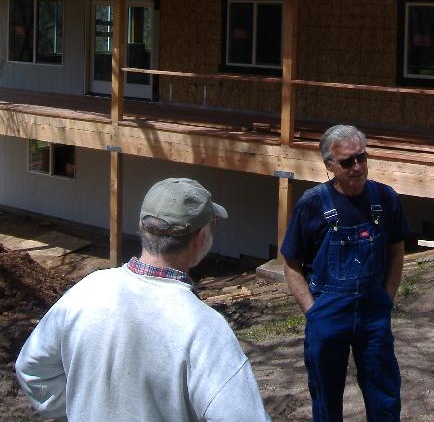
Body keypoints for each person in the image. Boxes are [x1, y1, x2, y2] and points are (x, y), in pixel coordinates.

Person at [16, 177, 270, 422]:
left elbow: (32, 369)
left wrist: (82, 407)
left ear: (141, 226)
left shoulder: (86, 291)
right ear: (201, 238)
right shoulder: (205, 328)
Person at [281, 124, 410, 421]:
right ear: (329, 165)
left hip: (373, 313)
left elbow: (396, 251)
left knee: (384, 396)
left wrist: (387, 298)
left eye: (361, 157)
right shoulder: (312, 204)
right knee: (326, 399)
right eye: (347, 162)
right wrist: (313, 311)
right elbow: (291, 263)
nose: (357, 167)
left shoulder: (386, 198)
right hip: (328, 315)